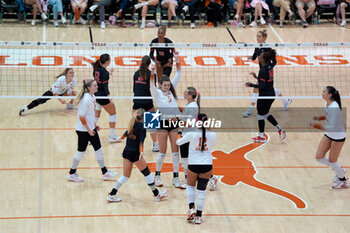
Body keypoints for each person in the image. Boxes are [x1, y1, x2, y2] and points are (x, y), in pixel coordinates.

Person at [106, 108, 169, 202]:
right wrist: (141, 153)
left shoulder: (132, 124)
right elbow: (141, 142)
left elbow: (126, 133)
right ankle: (157, 194)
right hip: (135, 154)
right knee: (147, 173)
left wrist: (119, 138)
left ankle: (112, 194)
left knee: (125, 176)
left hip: (126, 152)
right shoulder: (142, 127)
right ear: (143, 117)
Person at [66, 79, 118, 182]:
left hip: (90, 129)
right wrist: (89, 130)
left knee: (98, 149)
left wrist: (94, 125)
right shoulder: (86, 100)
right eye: (95, 85)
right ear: (89, 87)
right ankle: (71, 173)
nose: (97, 87)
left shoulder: (92, 96)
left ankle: (105, 172)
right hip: (83, 131)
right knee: (81, 152)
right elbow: (81, 117)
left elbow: (90, 115)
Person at [150, 52, 184, 189]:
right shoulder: (157, 93)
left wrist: (177, 58)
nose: (167, 87)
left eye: (168, 85)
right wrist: (152, 72)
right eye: (165, 85)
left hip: (175, 123)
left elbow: (179, 73)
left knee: (175, 152)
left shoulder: (171, 89)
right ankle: (157, 176)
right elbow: (151, 84)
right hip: (163, 123)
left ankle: (176, 178)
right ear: (160, 85)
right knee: (163, 151)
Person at [176, 113, 217, 224]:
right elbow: (213, 143)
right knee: (201, 191)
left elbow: (178, 142)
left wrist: (179, 132)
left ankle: (191, 207)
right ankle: (199, 216)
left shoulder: (191, 133)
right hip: (207, 165)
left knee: (190, 186)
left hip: (193, 164)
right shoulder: (212, 134)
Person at [242, 30, 292, 118]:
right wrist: (250, 57)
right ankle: (286, 100)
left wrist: (268, 68)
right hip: (262, 70)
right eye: (257, 36)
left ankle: (250, 110)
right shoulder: (257, 47)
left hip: (266, 72)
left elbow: (275, 61)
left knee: (256, 88)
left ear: (264, 38)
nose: (257, 38)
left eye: (259, 36)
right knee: (269, 88)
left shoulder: (268, 48)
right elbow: (254, 56)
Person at [308, 86, 348, 189]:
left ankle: (343, 181)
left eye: (324, 92)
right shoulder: (327, 103)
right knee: (319, 157)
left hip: (338, 136)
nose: (322, 93)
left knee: (332, 161)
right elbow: (327, 115)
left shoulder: (334, 107)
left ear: (329, 95)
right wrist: (320, 118)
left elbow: (331, 127)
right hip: (329, 135)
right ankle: (339, 170)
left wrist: (316, 125)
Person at [245, 49, 286, 143]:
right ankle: (280, 129)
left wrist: (251, 85)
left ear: (262, 59)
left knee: (260, 115)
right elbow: (265, 80)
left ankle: (262, 136)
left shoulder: (263, 70)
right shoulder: (269, 67)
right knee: (266, 114)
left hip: (265, 96)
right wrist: (256, 77)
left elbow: (262, 86)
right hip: (271, 94)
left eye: (260, 56)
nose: (258, 57)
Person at [133, 55, 159, 152]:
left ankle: (135, 145)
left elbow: (134, 89)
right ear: (149, 64)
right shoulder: (151, 75)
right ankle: (155, 145)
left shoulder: (136, 74)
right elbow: (153, 88)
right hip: (147, 101)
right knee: (152, 124)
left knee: (135, 124)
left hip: (137, 101)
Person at [91, 54, 119, 143]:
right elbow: (105, 86)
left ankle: (89, 137)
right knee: (113, 114)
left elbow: (100, 78)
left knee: (96, 116)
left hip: (96, 95)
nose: (110, 61)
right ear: (107, 62)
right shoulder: (104, 73)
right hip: (103, 96)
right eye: (110, 60)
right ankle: (112, 136)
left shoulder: (96, 68)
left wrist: (108, 73)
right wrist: (109, 97)